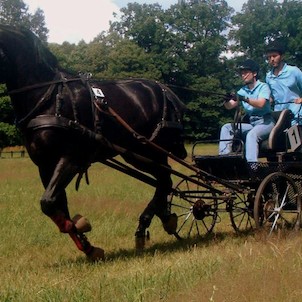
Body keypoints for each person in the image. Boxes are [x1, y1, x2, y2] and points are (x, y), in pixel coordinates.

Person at [219, 59, 275, 162]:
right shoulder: (243, 90)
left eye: (246, 73)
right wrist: (226, 100)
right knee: (226, 128)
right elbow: (230, 106)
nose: (243, 75)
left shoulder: (263, 87)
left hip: (266, 122)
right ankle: (224, 160)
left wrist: (245, 99)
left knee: (251, 135)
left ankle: (252, 167)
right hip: (252, 123)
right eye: (242, 73)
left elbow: (261, 104)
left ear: (254, 73)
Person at [265, 39, 302, 124]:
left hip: (296, 117)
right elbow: (270, 98)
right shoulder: (268, 76)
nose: (272, 59)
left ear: (282, 56)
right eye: (269, 57)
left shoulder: (294, 71)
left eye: (274, 56)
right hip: (279, 117)